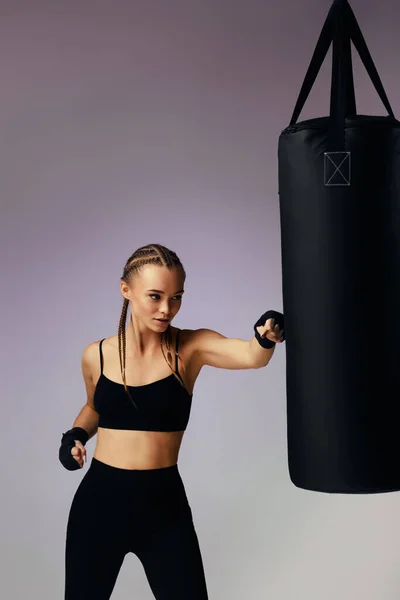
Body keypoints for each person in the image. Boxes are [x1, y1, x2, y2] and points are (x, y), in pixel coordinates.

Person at [59, 243, 284, 600]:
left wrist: (265, 335)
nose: (167, 309)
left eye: (176, 297)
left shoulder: (190, 348)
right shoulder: (96, 355)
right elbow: (94, 408)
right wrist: (74, 436)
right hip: (99, 506)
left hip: (164, 509)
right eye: (155, 296)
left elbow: (250, 356)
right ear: (125, 290)